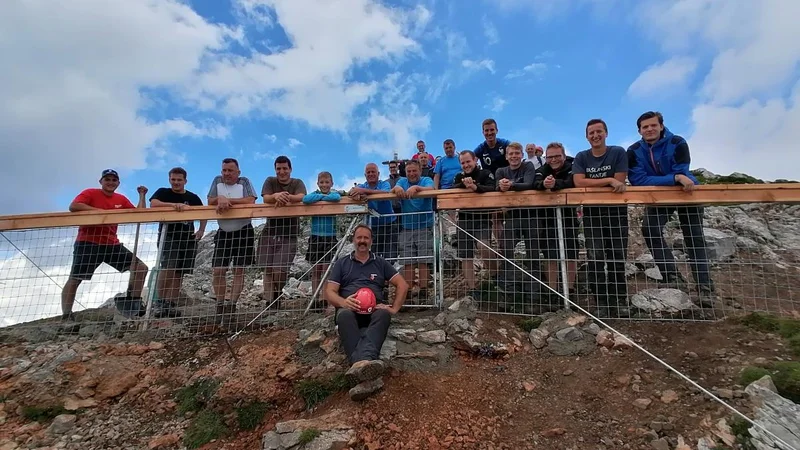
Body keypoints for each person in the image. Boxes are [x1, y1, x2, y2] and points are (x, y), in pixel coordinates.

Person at [627, 111, 714, 303]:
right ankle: (671, 276)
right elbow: (638, 180)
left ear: (661, 126)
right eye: (645, 127)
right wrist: (674, 178)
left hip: (687, 192)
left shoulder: (677, 142)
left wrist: (676, 177)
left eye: (653, 125)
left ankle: (705, 285)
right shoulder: (633, 151)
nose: (649, 129)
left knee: (694, 237)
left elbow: (682, 170)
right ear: (639, 130)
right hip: (660, 195)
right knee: (650, 229)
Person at [325, 225, 409, 401]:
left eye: (366, 238)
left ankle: (357, 364)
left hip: (374, 309)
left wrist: (393, 308)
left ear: (371, 241)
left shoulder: (380, 263)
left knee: (384, 315)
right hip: (350, 309)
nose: (362, 241)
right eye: (359, 237)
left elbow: (403, 285)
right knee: (344, 315)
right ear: (353, 240)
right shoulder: (342, 263)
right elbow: (330, 291)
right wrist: (343, 302)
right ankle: (366, 363)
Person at [62, 169, 149, 321]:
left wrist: (142, 195)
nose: (110, 182)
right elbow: (74, 206)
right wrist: (99, 212)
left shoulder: (120, 199)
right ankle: (66, 315)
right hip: (88, 243)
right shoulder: (90, 193)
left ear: (118, 183)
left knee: (140, 268)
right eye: (107, 179)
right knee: (76, 278)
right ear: (101, 181)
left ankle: (133, 303)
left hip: (111, 244)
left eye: (113, 180)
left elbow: (138, 214)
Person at [572, 119, 630, 318]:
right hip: (592, 214)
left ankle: (620, 299)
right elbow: (578, 182)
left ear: (606, 133)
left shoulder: (618, 152)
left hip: (616, 213)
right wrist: (608, 179)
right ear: (587, 136)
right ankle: (601, 301)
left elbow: (620, 182)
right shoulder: (582, 156)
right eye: (591, 133)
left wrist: (604, 182)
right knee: (595, 257)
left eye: (599, 132)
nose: (595, 136)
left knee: (617, 257)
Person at [149, 167, 206, 318]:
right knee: (168, 268)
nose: (176, 182)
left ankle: (171, 303)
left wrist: (201, 230)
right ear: (169, 179)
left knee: (180, 272)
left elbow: (203, 212)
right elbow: (153, 203)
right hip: (169, 236)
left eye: (179, 180)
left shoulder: (192, 197)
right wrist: (173, 206)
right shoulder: (163, 192)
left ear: (185, 181)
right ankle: (159, 302)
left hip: (187, 237)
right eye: (173, 179)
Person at [207, 158, 257, 321]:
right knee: (218, 270)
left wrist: (226, 200)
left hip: (243, 231)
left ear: (238, 172)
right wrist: (219, 198)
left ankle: (232, 306)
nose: (226, 174)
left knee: (239, 270)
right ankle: (220, 304)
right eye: (224, 170)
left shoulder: (244, 182)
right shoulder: (217, 180)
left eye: (230, 170)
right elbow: (210, 200)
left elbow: (251, 199)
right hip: (223, 231)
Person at [259, 155, 307, 306]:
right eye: (278, 169)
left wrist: (285, 197)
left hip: (289, 233)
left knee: (280, 271)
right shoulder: (270, 181)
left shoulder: (297, 182)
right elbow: (266, 198)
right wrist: (275, 196)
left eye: (285, 168)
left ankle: (277, 291)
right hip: (269, 231)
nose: (282, 171)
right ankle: (270, 302)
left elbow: (301, 196)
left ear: (290, 169)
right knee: (267, 269)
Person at [494, 142, 539, 295]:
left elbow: (529, 184)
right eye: (511, 154)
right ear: (506, 156)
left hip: (530, 216)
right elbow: (496, 187)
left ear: (522, 155)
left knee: (533, 253)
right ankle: (508, 288)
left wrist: (510, 185)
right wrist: (501, 186)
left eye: (517, 153)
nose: (514, 156)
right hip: (511, 217)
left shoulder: (528, 167)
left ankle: (534, 290)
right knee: (506, 250)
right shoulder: (501, 170)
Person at [533, 143, 578, 293]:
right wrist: (544, 185)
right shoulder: (542, 169)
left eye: (557, 156)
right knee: (550, 255)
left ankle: (570, 290)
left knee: (571, 254)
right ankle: (553, 290)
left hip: (569, 216)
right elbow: (535, 183)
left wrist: (555, 184)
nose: (553, 159)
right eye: (550, 157)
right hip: (547, 218)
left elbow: (573, 182)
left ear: (564, 156)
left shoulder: (573, 166)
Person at [452, 150, 496, 291]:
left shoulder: (485, 173)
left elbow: (492, 188)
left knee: (483, 246)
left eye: (468, 161)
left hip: (482, 217)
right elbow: (453, 190)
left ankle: (496, 277)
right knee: (466, 255)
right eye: (463, 163)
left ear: (475, 160)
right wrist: (464, 185)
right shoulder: (459, 177)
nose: (466, 165)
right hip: (464, 219)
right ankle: (472, 289)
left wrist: (475, 187)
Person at [391, 160, 435, 298]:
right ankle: (408, 294)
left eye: (414, 171)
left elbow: (432, 189)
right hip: (407, 228)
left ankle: (423, 293)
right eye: (409, 171)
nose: (411, 174)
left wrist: (417, 188)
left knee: (423, 261)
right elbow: (395, 188)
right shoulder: (402, 182)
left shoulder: (426, 179)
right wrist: (397, 189)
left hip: (424, 226)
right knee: (407, 262)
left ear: (420, 171)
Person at [302, 171, 342, 308]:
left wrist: (323, 198)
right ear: (318, 183)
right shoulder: (314, 194)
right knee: (316, 269)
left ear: (331, 183)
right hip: (316, 236)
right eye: (322, 182)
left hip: (329, 237)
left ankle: (324, 298)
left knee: (326, 268)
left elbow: (337, 197)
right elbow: (306, 199)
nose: (324, 185)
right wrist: (321, 196)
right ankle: (315, 297)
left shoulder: (333, 194)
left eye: (327, 182)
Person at [475, 118, 511, 259]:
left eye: (492, 130)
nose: (489, 133)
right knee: (496, 217)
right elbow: (471, 158)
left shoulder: (505, 144)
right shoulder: (481, 148)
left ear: (496, 130)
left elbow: (515, 154)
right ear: (483, 132)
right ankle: (502, 247)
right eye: (486, 130)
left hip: (507, 182)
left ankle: (509, 245)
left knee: (509, 216)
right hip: (491, 185)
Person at [350, 163, 399, 261]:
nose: (371, 174)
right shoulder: (362, 185)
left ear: (378, 173)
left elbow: (386, 193)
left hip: (389, 225)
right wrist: (355, 194)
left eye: (373, 172)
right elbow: (352, 191)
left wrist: (364, 192)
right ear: (365, 175)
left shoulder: (384, 184)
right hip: (372, 228)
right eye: (368, 172)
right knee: (373, 257)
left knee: (390, 257)